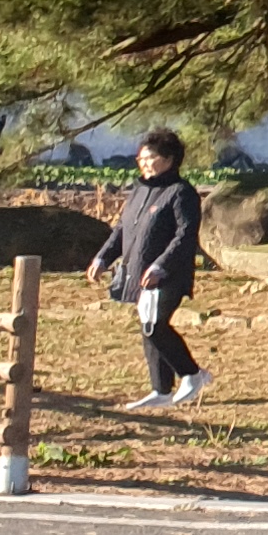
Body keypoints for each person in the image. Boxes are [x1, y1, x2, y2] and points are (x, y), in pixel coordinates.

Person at [90, 128, 209, 409]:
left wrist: (160, 265)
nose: (143, 163)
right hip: (138, 271)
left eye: (150, 158)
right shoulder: (140, 191)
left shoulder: (181, 193)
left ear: (169, 159)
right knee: (148, 326)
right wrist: (102, 258)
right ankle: (161, 390)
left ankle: (192, 374)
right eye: (140, 158)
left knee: (154, 325)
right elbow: (122, 230)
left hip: (168, 274)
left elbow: (185, 235)